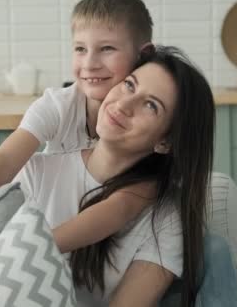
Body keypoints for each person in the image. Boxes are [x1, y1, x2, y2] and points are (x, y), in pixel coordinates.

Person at [0, 0, 155, 279]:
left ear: (143, 55)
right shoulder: (59, 105)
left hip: (74, 244)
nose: (90, 63)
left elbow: (124, 207)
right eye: (80, 49)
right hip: (33, 222)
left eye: (107, 49)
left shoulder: (150, 128)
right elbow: (4, 160)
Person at [13, 46, 218, 306]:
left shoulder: (164, 219)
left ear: (165, 142)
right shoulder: (36, 173)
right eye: (130, 85)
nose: (124, 104)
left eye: (151, 105)